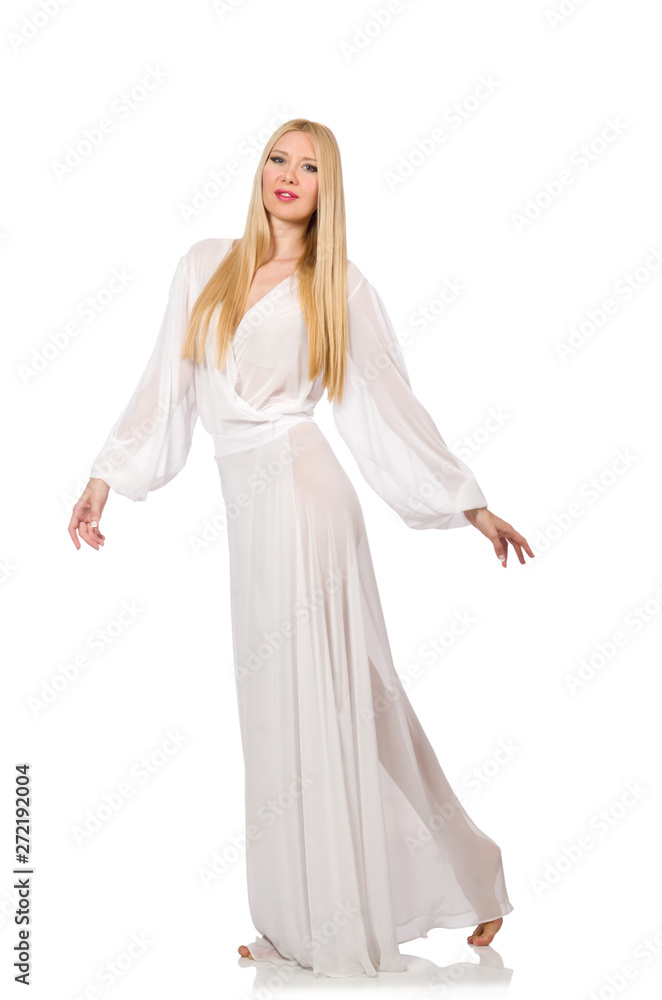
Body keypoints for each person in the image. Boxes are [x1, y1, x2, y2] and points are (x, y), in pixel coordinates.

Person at [69, 118, 533, 979]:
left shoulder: (338, 285)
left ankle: (417, 895)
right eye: (278, 158)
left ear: (328, 187)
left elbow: (387, 407)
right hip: (249, 509)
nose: (288, 174)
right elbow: (165, 388)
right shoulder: (203, 265)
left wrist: (468, 503)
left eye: (309, 166)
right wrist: (105, 478)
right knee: (276, 712)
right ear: (260, 171)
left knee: (345, 701)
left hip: (308, 498)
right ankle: (296, 918)